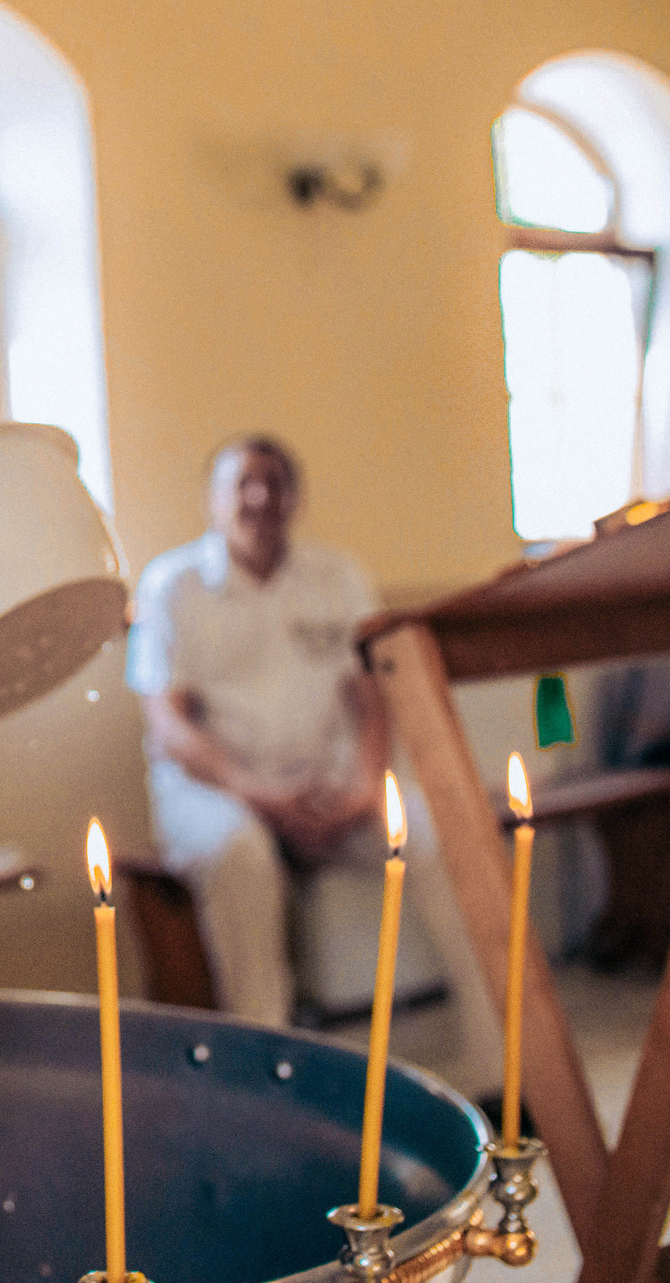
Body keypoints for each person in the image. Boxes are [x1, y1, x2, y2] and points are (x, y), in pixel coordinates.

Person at [128, 436, 503, 1088]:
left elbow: (371, 693)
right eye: (243, 483)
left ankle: (503, 1068)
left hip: (329, 783)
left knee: (435, 832)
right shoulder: (173, 585)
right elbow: (169, 725)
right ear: (213, 499)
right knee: (241, 855)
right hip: (218, 789)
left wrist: (366, 785)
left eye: (274, 482)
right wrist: (258, 794)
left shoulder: (338, 576)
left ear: (294, 497)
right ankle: (270, 1077)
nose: (260, 497)